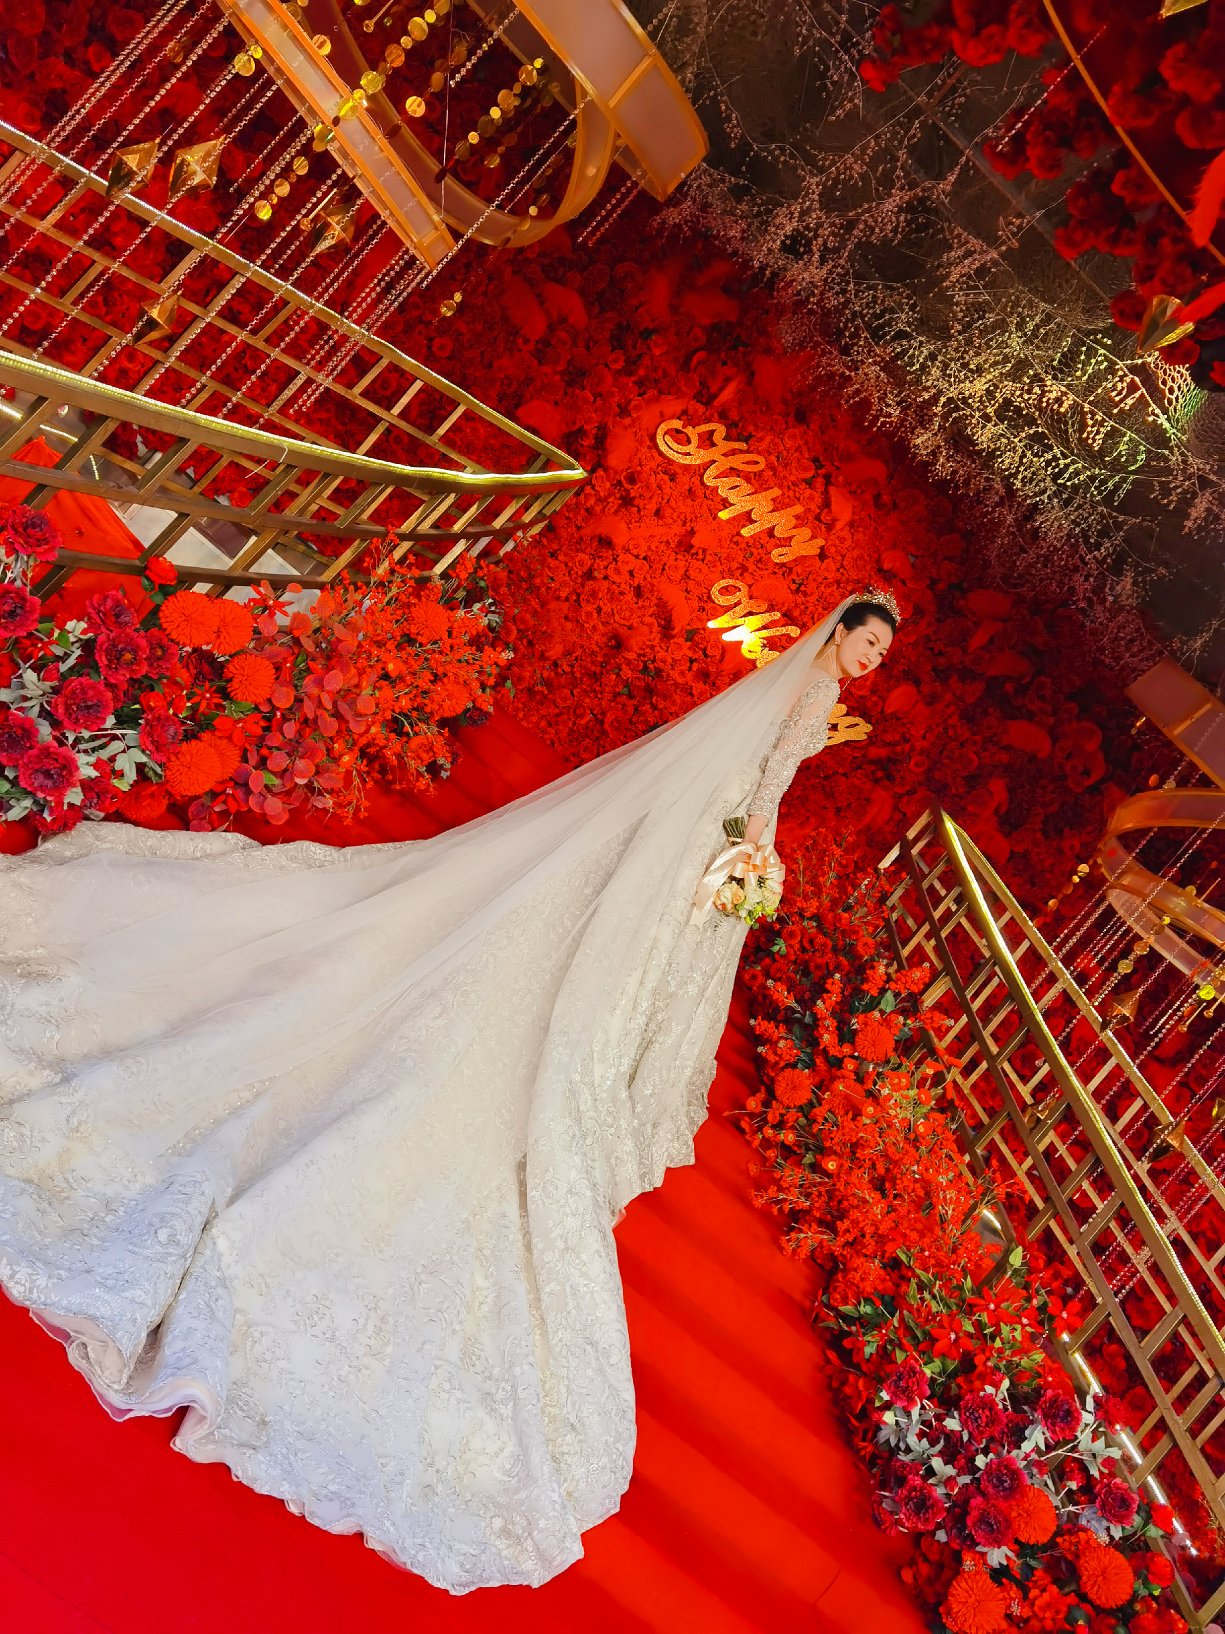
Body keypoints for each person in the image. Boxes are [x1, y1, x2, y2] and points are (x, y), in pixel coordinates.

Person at [0, 587, 898, 1592]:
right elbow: (746, 789)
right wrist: (746, 857)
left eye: (876, 651)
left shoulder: (801, 688)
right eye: (862, 639)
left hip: (700, 848)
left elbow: (741, 788)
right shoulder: (806, 694)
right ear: (835, 630)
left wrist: (743, 854)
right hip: (704, 849)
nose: (865, 657)